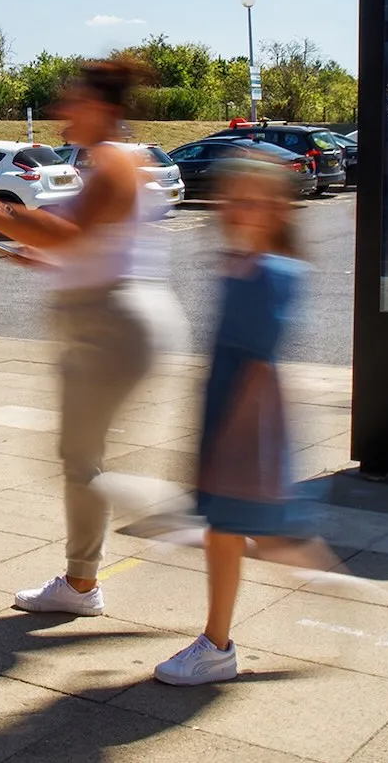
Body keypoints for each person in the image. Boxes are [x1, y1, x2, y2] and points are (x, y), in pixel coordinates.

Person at [0, 57, 181, 617]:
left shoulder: (117, 163)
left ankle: (165, 529)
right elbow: (82, 245)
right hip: (106, 321)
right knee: (77, 459)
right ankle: (83, 579)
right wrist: (29, 251)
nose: (60, 112)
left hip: (110, 325)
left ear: (101, 107)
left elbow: (68, 235)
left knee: (79, 461)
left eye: (70, 100)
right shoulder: (113, 163)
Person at [156, 154, 331, 686]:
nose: (240, 208)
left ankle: (217, 644)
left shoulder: (273, 271)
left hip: (246, 422)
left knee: (233, 530)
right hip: (230, 415)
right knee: (251, 530)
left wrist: (228, 441)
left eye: (254, 201)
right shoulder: (241, 263)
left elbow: (258, 359)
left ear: (278, 210)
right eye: (236, 198)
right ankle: (333, 591)